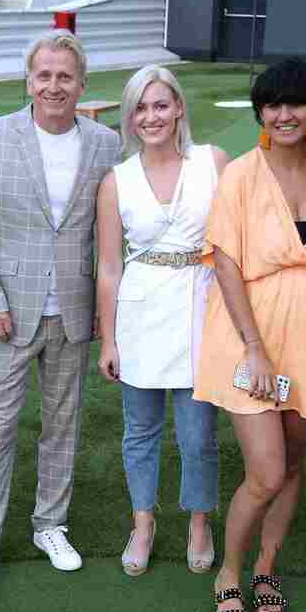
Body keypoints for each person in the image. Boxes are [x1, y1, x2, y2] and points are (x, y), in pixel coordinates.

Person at [0, 29, 122, 604]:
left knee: (62, 426)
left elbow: (108, 235)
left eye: (65, 77)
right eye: (44, 75)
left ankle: (50, 524)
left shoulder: (105, 143)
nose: (54, 85)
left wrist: (103, 310)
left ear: (82, 84)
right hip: (8, 315)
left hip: (72, 314)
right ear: (29, 80)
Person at [194, 58, 306, 612]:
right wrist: (254, 348)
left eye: (296, 103)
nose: (285, 115)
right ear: (260, 112)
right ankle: (228, 575)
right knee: (266, 472)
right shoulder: (240, 175)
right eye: (273, 105)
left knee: (293, 462)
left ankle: (266, 568)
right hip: (249, 339)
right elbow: (226, 265)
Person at [95, 65, 226, 577]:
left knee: (198, 434)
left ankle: (199, 521)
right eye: (140, 108)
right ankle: (143, 523)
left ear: (179, 109)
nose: (151, 117)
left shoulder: (212, 162)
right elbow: (109, 267)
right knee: (141, 430)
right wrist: (109, 339)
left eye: (160, 105)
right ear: (130, 118)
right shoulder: (117, 181)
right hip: (140, 312)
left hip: (200, 310)